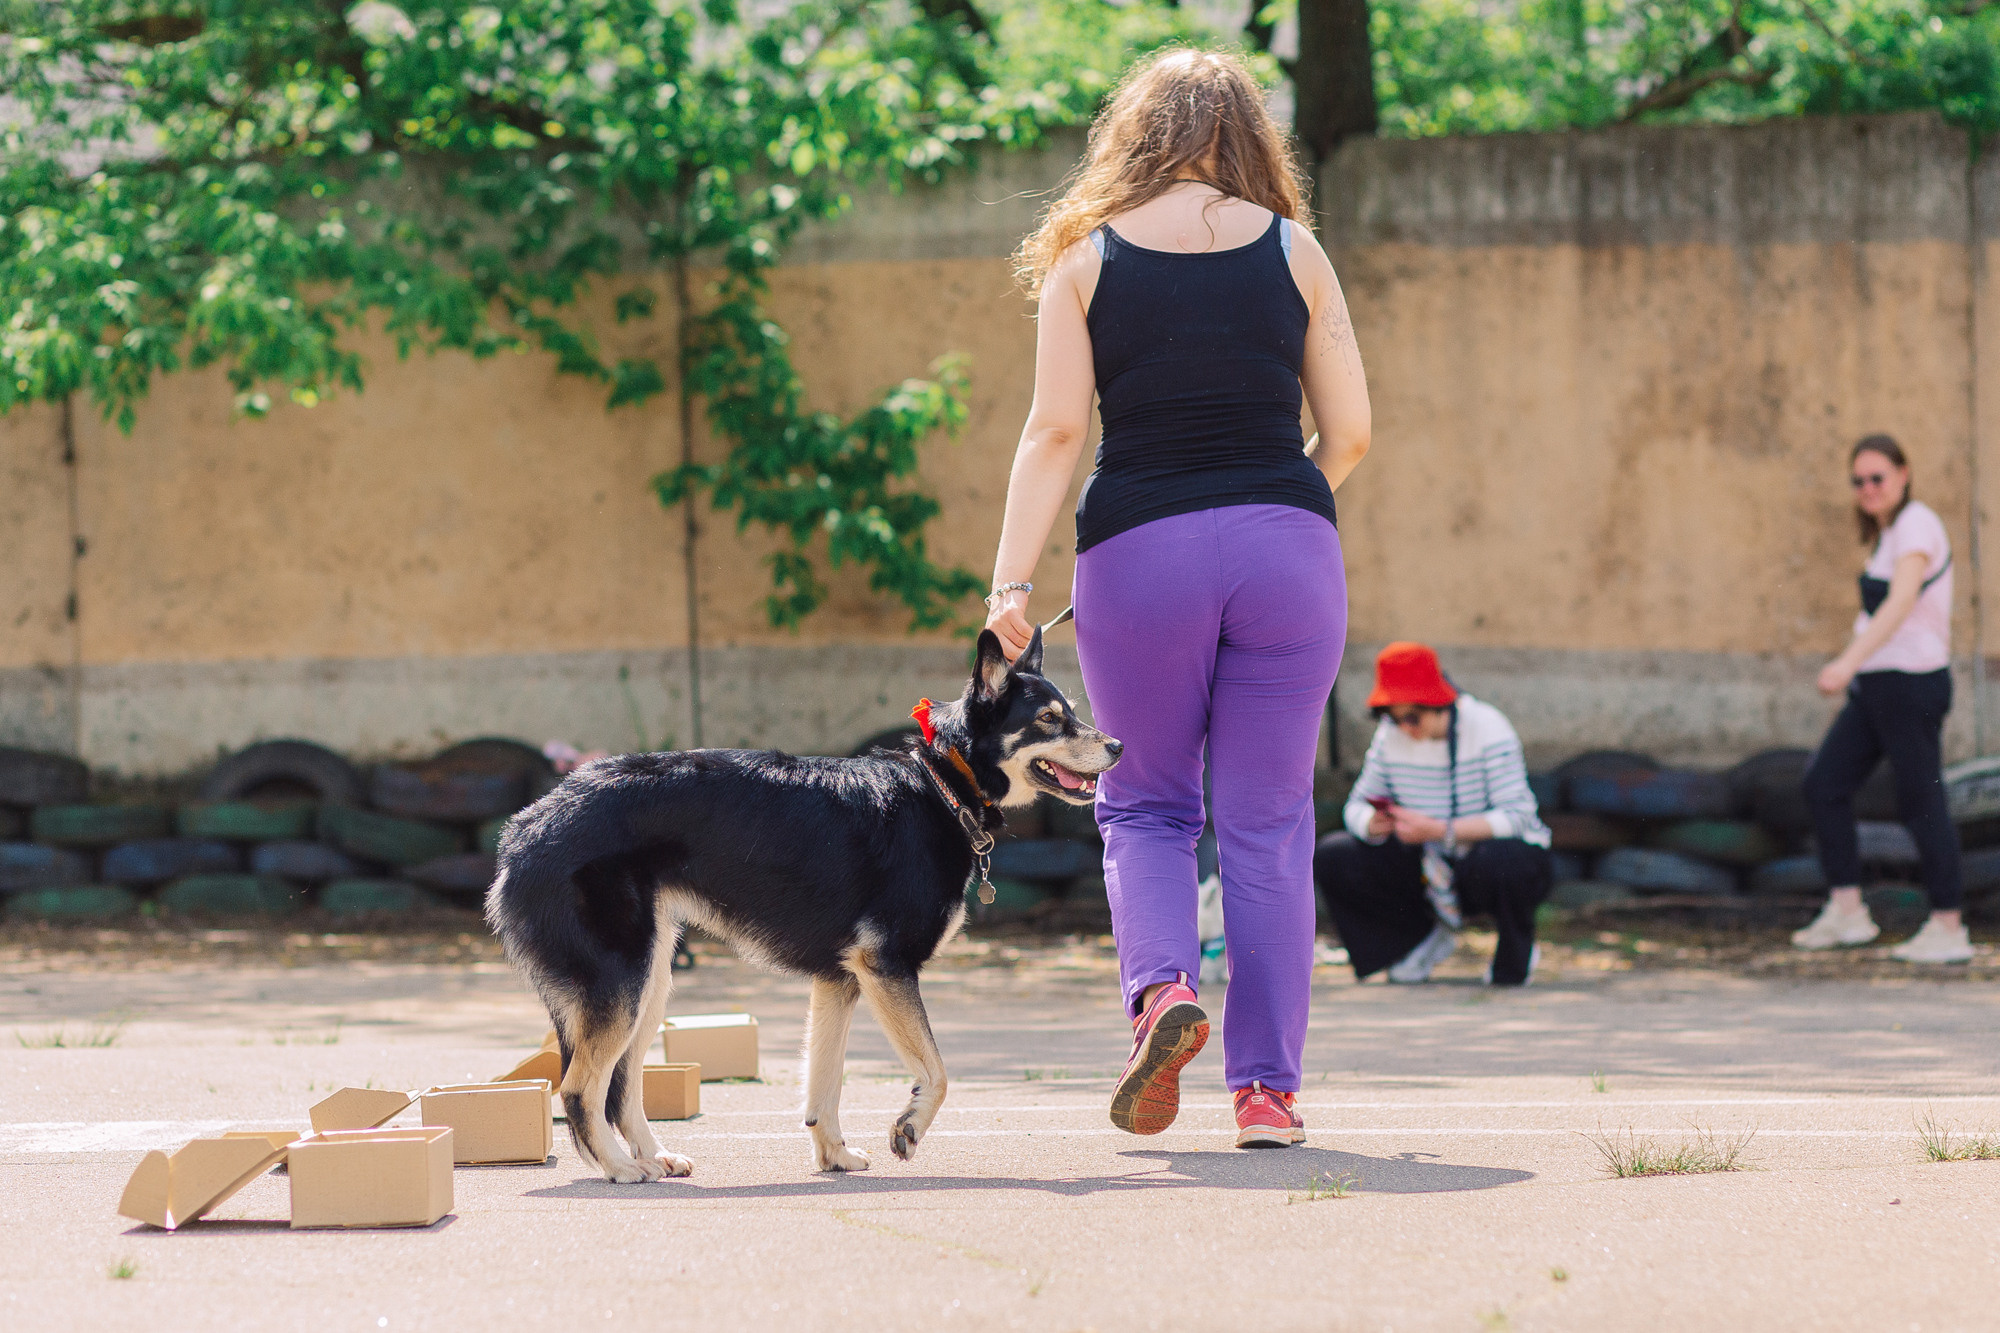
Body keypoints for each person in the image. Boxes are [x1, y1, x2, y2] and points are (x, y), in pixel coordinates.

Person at [981, 49, 1371, 1150]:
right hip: (1287, 550)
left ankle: (1161, 996)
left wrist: (1011, 585)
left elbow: (1055, 430)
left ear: (1131, 137)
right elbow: (1348, 435)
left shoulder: (1083, 261)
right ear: (1250, 136)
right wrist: (1272, 503)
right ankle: (1266, 1095)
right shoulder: (1296, 251)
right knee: (1266, 822)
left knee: (1146, 803)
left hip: (1137, 551)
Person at [1793, 435, 1971, 963]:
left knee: (1921, 800)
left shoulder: (1917, 524)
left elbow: (1899, 604)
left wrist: (1847, 659)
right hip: (1878, 687)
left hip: (1910, 684)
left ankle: (1948, 926)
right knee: (1824, 783)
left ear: (1904, 474)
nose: (1868, 488)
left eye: (1878, 477)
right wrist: (1858, 671)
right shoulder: (1889, 533)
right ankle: (1847, 912)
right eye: (1859, 481)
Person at [1313, 643, 1552, 986]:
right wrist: (1371, 823)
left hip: (1482, 859)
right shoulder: (1390, 736)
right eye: (1393, 718)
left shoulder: (1488, 727)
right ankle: (1414, 944)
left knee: (1506, 860)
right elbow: (1356, 806)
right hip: (1425, 863)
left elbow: (1517, 816)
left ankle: (1515, 958)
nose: (1404, 728)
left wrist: (1441, 830)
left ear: (1438, 702)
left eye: (1412, 717)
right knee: (1335, 854)